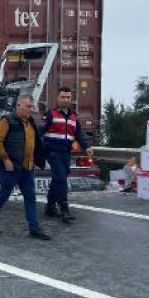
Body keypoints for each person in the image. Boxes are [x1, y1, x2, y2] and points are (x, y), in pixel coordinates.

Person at [0, 94, 50, 240]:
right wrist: (5, 159)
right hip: (12, 167)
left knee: (30, 197)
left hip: (28, 168)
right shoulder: (8, 121)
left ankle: (34, 228)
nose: (30, 109)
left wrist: (39, 160)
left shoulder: (31, 122)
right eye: (28, 106)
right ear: (18, 105)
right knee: (4, 195)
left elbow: (36, 143)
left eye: (31, 107)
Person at [41, 86, 93, 223]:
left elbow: (78, 134)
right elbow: (40, 132)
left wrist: (86, 146)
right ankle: (64, 209)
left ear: (71, 99)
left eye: (68, 97)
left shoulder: (73, 117)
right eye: (63, 97)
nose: (65, 100)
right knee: (61, 179)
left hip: (66, 153)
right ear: (57, 98)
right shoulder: (50, 115)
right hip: (52, 152)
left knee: (58, 179)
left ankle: (50, 207)